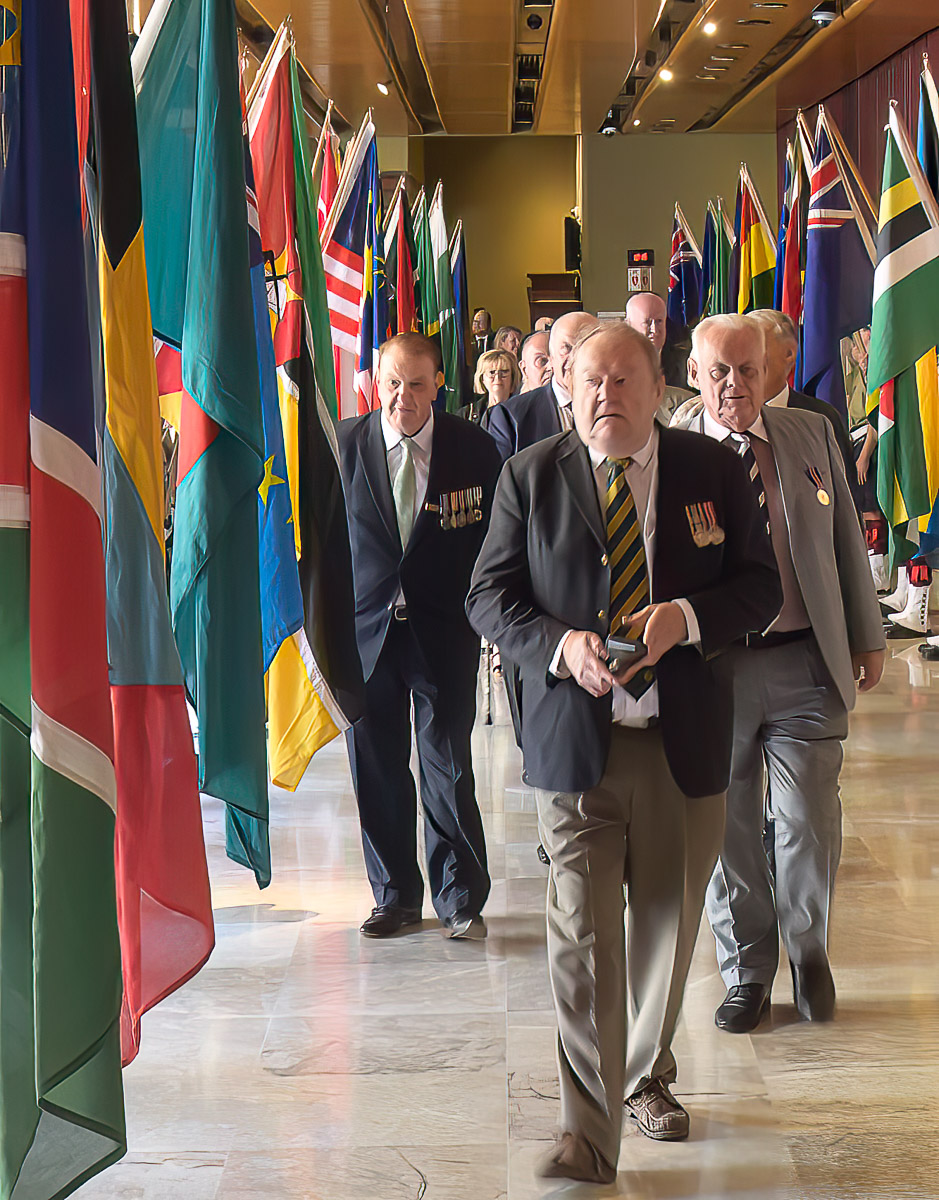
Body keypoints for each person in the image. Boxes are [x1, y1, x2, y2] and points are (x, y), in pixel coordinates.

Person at [467, 321, 781, 1184]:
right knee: (580, 941)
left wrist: (684, 619)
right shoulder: (530, 477)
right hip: (579, 748)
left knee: (665, 940)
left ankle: (645, 1072)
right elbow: (487, 597)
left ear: (657, 389)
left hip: (681, 746)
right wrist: (559, 645)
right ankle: (587, 1131)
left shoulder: (712, 470)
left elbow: (760, 585)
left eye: (623, 381)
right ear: (566, 388)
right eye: (589, 381)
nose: (606, 396)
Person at [680, 315, 885, 1033]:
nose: (734, 385)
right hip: (715, 672)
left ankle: (808, 954)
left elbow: (842, 546)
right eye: (718, 372)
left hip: (802, 661)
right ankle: (745, 973)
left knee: (807, 822)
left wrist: (867, 637)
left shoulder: (806, 435)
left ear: (769, 368)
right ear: (693, 374)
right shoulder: (673, 449)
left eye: (747, 369)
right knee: (728, 832)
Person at [337, 333, 502, 940]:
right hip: (366, 635)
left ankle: (459, 895)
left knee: (448, 766)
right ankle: (395, 895)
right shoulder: (347, 446)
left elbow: (494, 544)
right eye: (391, 382)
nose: (401, 396)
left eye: (415, 384)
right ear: (374, 382)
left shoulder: (475, 450)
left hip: (444, 633)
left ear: (439, 385)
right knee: (376, 765)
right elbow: (327, 548)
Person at [747, 309, 860, 509]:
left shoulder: (820, 419)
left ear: (789, 353)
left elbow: (845, 499)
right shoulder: (724, 418)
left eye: (756, 347)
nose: (746, 360)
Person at [483, 310, 599, 461]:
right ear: (551, 358)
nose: (575, 358)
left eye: (586, 346)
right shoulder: (510, 418)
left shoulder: (622, 405)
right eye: (567, 348)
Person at [625, 291, 693, 423]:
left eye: (659, 322)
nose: (654, 330)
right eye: (647, 322)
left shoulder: (687, 363)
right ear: (628, 324)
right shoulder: (616, 367)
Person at [461, 348, 521, 423]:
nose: (497, 378)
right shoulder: (466, 414)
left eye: (504, 372)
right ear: (482, 379)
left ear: (513, 377)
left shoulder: (523, 411)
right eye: (492, 372)